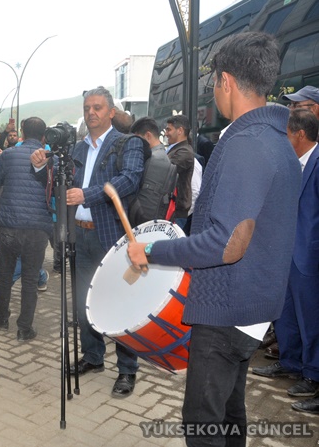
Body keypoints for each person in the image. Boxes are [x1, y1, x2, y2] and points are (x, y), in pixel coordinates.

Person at [127, 31, 301, 446]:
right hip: (252, 305)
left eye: (214, 83)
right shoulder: (279, 141)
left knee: (202, 422)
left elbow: (226, 244)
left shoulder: (247, 143)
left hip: (227, 309)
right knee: (229, 412)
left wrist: (151, 250)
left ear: (226, 81)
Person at [63, 86, 144, 397]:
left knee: (120, 302)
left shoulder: (127, 143)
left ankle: (127, 369)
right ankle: (93, 356)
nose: (91, 113)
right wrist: (42, 164)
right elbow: (65, 182)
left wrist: (88, 194)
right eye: (87, 108)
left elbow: (129, 179)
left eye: (97, 107)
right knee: (85, 301)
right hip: (80, 234)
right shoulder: (78, 148)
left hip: (111, 235)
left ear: (111, 112)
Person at [251, 108, 319, 414]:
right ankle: (290, 362)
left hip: (308, 258)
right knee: (285, 314)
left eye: (287, 134)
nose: (282, 140)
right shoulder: (290, 163)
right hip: (284, 253)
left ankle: (313, 375)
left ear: (300, 135)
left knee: (311, 319)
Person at [0, 117, 52, 342]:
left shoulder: (8, 154)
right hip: (37, 228)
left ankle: (1, 319)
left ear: (22, 133)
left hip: (10, 225)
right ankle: (24, 328)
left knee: (4, 275)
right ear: (43, 137)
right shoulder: (50, 159)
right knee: (30, 279)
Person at [164, 114, 195, 229]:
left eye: (169, 129)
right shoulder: (175, 149)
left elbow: (165, 170)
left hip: (176, 211)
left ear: (180, 130)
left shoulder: (185, 152)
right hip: (169, 208)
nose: (166, 133)